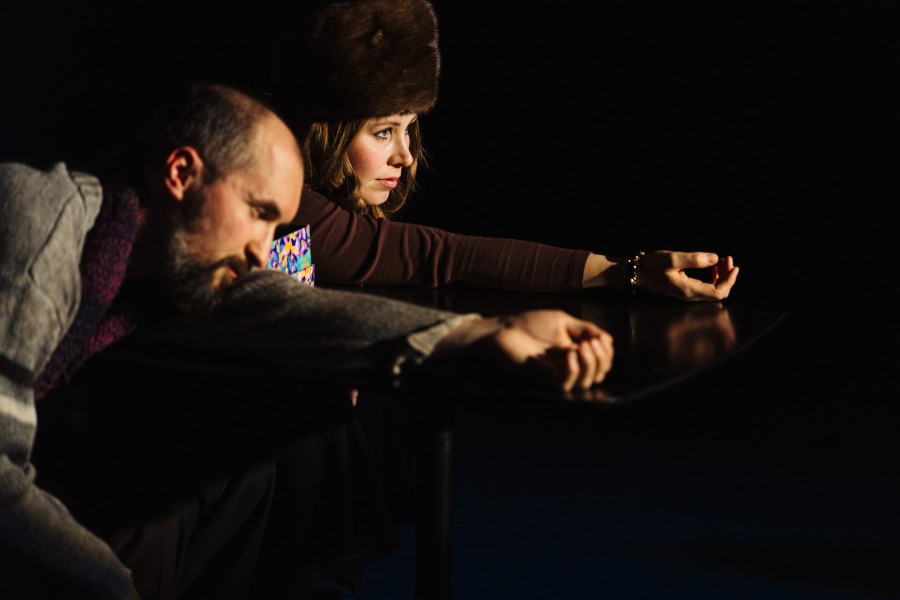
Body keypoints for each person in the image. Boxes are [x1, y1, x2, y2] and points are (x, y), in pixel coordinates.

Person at [0, 81, 613, 599]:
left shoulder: (171, 251)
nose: (261, 250)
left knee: (272, 444)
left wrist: (484, 334)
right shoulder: (41, 224)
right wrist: (113, 587)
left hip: (66, 485)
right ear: (181, 173)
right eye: (259, 213)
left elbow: (289, 307)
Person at [265, 0, 739, 301]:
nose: (405, 156)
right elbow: (448, 256)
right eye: (383, 132)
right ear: (324, 133)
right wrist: (628, 271)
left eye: (409, 129)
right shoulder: (284, 208)